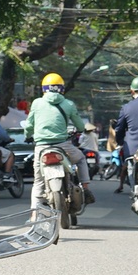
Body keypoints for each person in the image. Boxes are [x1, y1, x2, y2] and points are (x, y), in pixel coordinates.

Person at [24, 72, 95, 208]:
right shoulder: (68, 104)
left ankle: (34, 214)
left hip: (41, 148)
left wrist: (28, 135)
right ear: (61, 88)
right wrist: (78, 130)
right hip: (63, 146)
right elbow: (80, 126)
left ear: (44, 88)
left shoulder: (37, 103)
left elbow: (29, 126)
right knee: (81, 159)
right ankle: (85, 189)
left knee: (38, 182)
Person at [114, 75, 138, 194]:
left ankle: (135, 192)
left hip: (134, 149)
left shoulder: (126, 107)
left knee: (131, 169)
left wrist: (120, 142)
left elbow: (119, 129)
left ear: (132, 91)